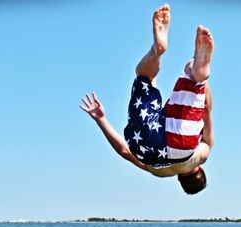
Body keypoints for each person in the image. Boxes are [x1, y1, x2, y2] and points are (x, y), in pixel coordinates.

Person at [80, 4, 214, 195]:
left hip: (182, 143)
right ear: (179, 180)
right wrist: (101, 120)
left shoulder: (202, 157)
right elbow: (124, 151)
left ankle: (174, 58)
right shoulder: (159, 173)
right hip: (148, 148)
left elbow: (206, 109)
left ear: (200, 170)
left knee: (190, 80)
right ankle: (169, 57)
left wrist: (202, 85)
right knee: (143, 78)